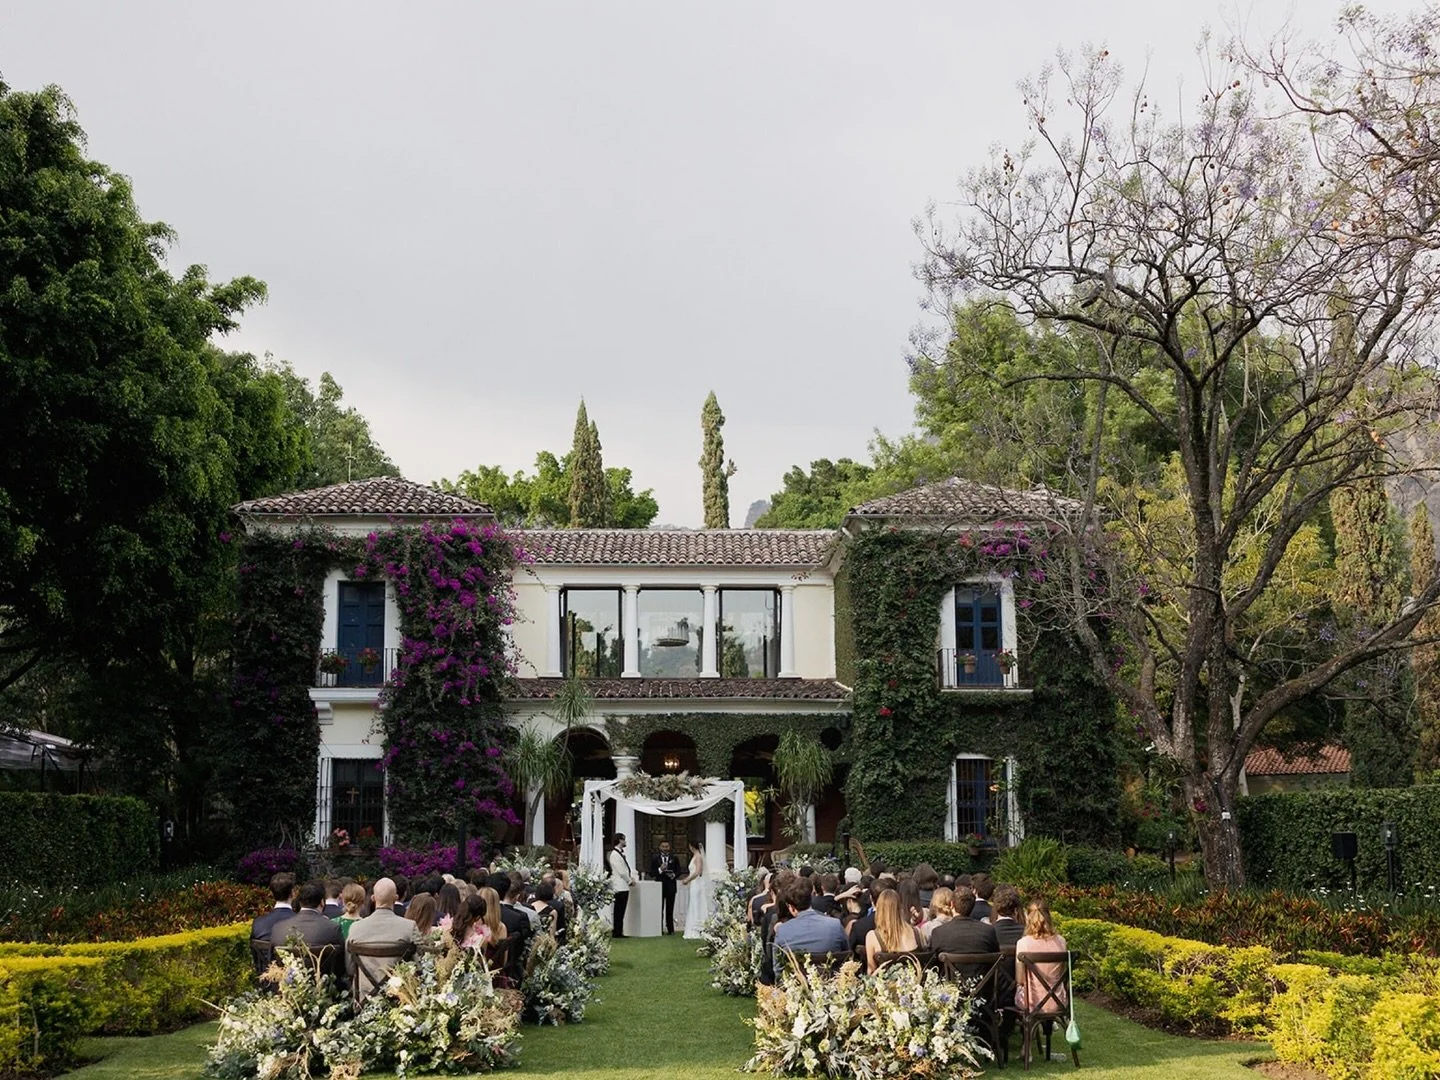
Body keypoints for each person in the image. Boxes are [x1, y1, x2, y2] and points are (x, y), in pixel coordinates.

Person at [346, 877, 424, 1002]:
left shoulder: (355, 928)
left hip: (365, 1000)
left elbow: (350, 969)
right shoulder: (409, 927)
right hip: (400, 1001)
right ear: (396, 898)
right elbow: (420, 967)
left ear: (373, 898)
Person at [271, 880, 346, 984]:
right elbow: (341, 966)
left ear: (300, 902)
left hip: (288, 990)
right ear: (322, 902)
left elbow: (273, 963)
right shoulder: (333, 928)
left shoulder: (278, 928)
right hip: (324, 989)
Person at [927, 886, 999, 979]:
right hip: (984, 990)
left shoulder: (939, 933)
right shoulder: (988, 931)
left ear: (952, 904)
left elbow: (933, 965)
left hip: (950, 990)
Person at [772, 872, 849, 955]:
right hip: (832, 967)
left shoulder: (782, 931)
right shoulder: (835, 925)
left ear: (792, 908)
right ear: (811, 898)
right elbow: (847, 955)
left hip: (796, 968)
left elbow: (777, 966)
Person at [1015, 900, 1068, 1014]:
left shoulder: (1023, 943)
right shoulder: (1061, 942)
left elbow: (1020, 979)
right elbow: (1062, 973)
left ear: (1028, 918)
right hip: (1058, 1001)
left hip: (1031, 1002)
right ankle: (1048, 1025)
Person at [250, 872, 298, 976]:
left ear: (272, 894)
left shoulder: (258, 923)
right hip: (296, 982)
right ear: (293, 893)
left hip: (267, 980)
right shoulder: (300, 922)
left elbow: (255, 956)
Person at [864, 889, 922, 973]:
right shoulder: (917, 933)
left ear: (879, 909)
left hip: (886, 985)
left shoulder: (872, 937)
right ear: (900, 907)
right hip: (916, 983)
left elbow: (871, 971)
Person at [681, 842, 713, 939]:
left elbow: (698, 871)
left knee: (696, 904)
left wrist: (687, 879)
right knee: (694, 904)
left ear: (691, 846)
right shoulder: (695, 856)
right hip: (694, 883)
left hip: (697, 883)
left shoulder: (698, 856)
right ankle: (694, 927)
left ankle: (697, 928)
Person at [608, 832, 638, 937]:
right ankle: (617, 931)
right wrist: (629, 880)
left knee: (621, 910)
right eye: (624, 839)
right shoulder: (614, 854)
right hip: (619, 885)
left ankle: (619, 930)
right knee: (619, 910)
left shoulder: (619, 853)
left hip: (623, 885)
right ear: (620, 840)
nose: (625, 842)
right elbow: (621, 871)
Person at [649, 840, 682, 935]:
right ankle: (659, 929)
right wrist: (660, 869)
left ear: (669, 847)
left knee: (670, 909)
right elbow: (651, 873)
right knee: (659, 908)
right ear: (660, 847)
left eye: (667, 846)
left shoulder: (674, 858)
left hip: (671, 886)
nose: (665, 848)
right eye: (663, 846)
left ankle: (670, 929)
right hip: (659, 886)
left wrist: (674, 875)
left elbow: (679, 871)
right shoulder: (655, 858)